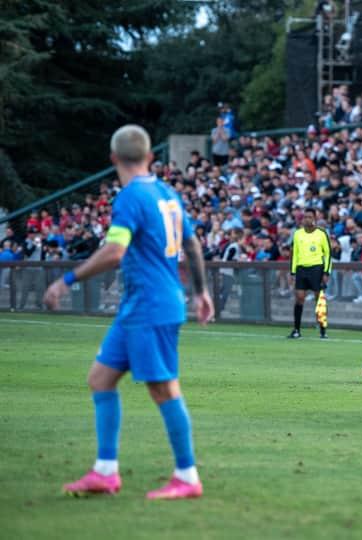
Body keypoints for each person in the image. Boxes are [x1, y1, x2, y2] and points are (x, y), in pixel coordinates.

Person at [43, 124, 214, 500]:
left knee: (163, 388)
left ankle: (187, 475)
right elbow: (191, 241)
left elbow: (116, 250)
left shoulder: (130, 198)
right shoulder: (167, 193)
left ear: (113, 159)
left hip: (151, 306)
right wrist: (201, 291)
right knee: (100, 378)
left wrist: (66, 279)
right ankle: (105, 471)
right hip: (140, 305)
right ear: (151, 157)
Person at [289, 208, 332, 339]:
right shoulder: (298, 234)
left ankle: (323, 330)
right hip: (302, 269)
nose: (307, 219)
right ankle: (296, 329)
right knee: (299, 298)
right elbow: (295, 253)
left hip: (317, 269)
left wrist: (326, 272)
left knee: (319, 299)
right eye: (305, 217)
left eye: (310, 217)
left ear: (314, 218)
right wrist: (293, 271)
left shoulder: (321, 233)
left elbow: (328, 253)